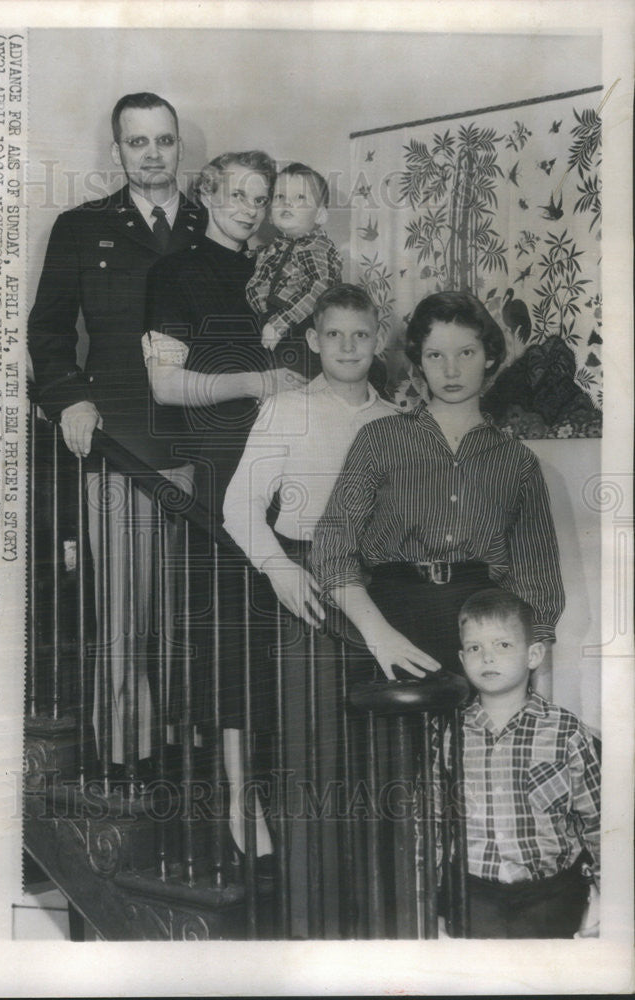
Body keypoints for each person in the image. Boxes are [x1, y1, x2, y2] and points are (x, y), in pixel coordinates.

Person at [27, 92, 204, 767]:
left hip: (204, 444)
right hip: (121, 446)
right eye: (138, 143)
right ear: (117, 151)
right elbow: (47, 333)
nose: (153, 154)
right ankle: (128, 765)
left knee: (192, 614)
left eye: (164, 140)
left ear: (178, 145)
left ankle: (193, 762)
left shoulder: (212, 222)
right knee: (126, 616)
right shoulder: (80, 228)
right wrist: (69, 400)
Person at [143, 150, 303, 861]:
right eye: (235, 193)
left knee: (290, 631)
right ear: (207, 194)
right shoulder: (176, 272)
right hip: (220, 470)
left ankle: (289, 787)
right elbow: (166, 387)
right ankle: (240, 799)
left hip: (293, 469)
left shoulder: (281, 273)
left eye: (260, 197)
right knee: (235, 636)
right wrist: (257, 383)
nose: (248, 207)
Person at [223, 282, 397, 935]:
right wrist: (278, 570)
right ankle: (305, 918)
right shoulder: (286, 410)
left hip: (374, 591)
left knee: (369, 754)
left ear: (378, 340)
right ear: (313, 340)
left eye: (361, 334)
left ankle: (363, 914)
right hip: (304, 587)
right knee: (308, 753)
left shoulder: (395, 421)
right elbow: (238, 507)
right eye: (334, 335)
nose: (348, 347)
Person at [311, 289, 566, 683]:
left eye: (466, 353)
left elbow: (537, 591)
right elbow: (332, 549)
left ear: (490, 358)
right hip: (389, 619)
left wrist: (541, 708)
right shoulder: (379, 439)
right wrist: (379, 636)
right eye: (435, 355)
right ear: (419, 365)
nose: (451, 371)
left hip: (482, 630)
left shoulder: (518, 463)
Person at [444, 588, 600, 938]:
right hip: (474, 894)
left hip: (551, 895)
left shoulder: (566, 731)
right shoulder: (449, 732)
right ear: (462, 657)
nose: (487, 658)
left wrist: (614, 898)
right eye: (474, 648)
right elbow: (435, 822)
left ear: (533, 655)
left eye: (502, 645)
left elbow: (598, 822)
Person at [245, 162, 343, 356]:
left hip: (300, 326)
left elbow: (319, 289)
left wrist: (281, 322)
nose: (287, 203)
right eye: (280, 197)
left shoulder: (316, 248)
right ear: (271, 215)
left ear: (320, 215)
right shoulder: (273, 249)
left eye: (300, 197)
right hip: (269, 324)